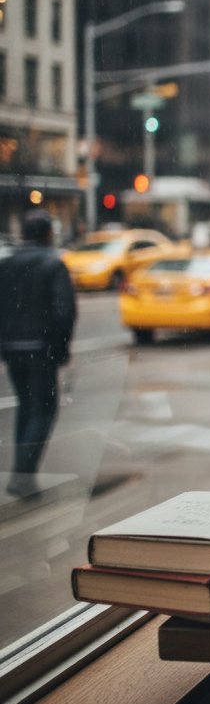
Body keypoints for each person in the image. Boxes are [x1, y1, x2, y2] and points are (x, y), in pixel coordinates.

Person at [0, 210, 77, 498]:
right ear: (47, 234)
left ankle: (21, 473)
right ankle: (22, 475)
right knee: (43, 410)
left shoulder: (6, 264)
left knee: (26, 407)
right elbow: (63, 312)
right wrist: (60, 349)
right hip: (40, 349)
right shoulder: (53, 264)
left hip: (11, 349)